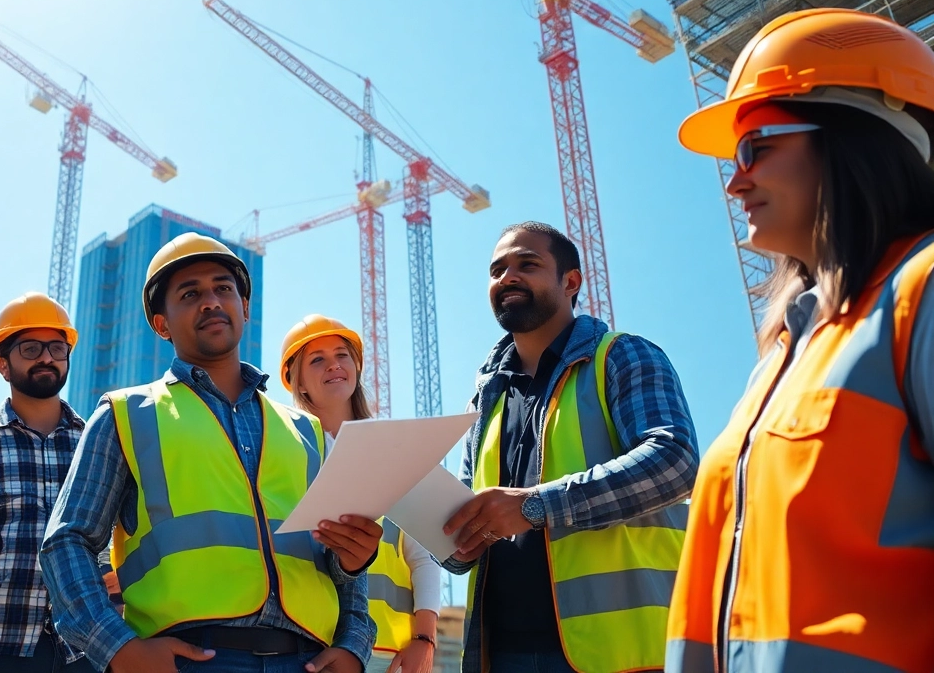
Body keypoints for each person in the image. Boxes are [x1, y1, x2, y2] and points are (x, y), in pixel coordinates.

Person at [667, 9, 934, 673]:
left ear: (853, 137)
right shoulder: (783, 358)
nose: (735, 181)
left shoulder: (923, 290)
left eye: (756, 147)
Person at [42, 232, 380, 673]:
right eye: (190, 294)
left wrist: (354, 645)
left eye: (223, 288)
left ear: (245, 307)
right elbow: (66, 541)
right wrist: (120, 650)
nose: (211, 302)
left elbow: (341, 563)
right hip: (190, 657)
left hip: (308, 660)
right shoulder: (125, 414)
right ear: (161, 324)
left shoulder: (307, 431)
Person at [440, 222, 699, 673]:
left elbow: (675, 461)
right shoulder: (485, 400)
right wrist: (446, 537)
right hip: (498, 652)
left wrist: (535, 506)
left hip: (623, 652)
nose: (508, 277)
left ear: (571, 281)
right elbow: (466, 519)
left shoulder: (622, 355)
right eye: (497, 270)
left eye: (527, 264)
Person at [280, 314, 442, 673]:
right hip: (313, 648)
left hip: (391, 653)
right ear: (298, 382)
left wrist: (425, 637)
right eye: (317, 359)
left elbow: (424, 556)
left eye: (342, 355)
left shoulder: (396, 450)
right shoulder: (285, 454)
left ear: (356, 366)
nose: (333, 365)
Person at [0, 292, 94, 673]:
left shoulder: (97, 444)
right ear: (3, 366)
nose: (46, 357)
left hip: (85, 651)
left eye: (57, 348)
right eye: (30, 348)